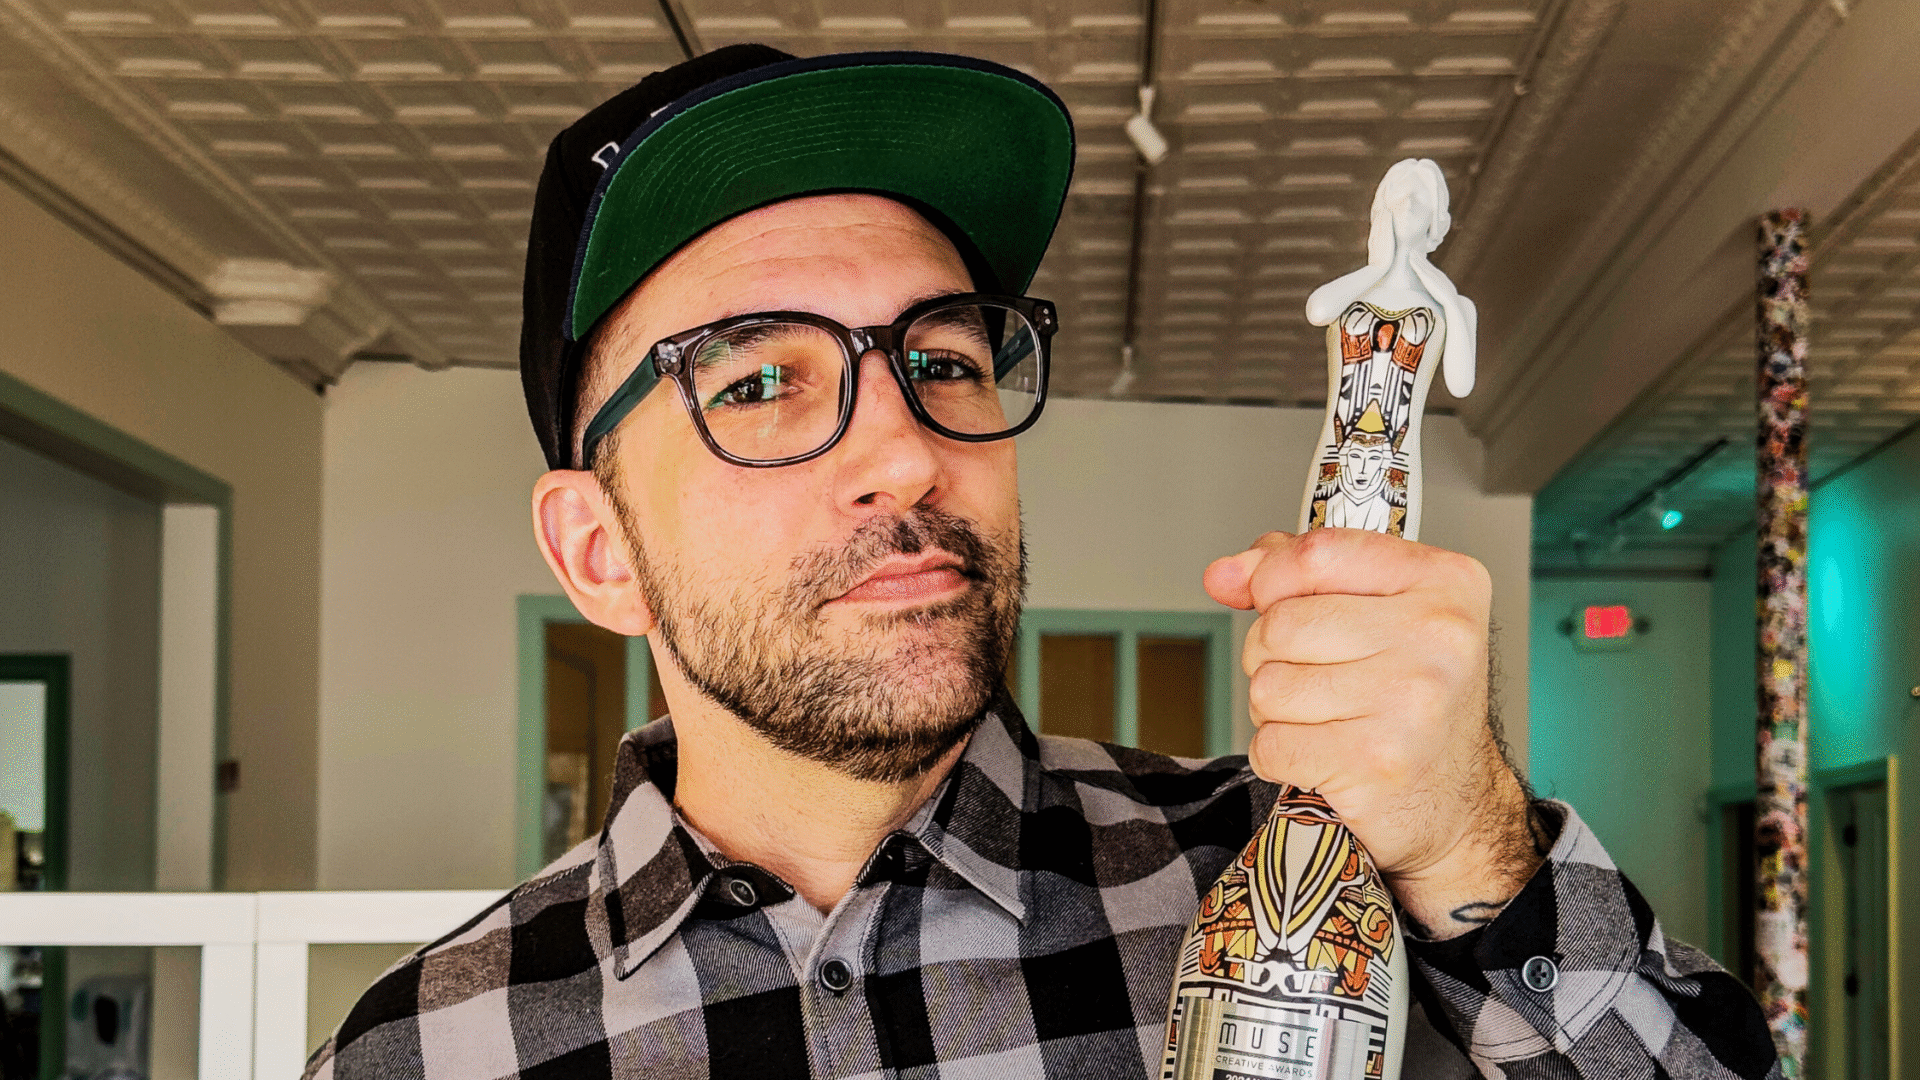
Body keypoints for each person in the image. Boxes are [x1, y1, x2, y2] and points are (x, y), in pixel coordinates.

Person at [305, 45, 1781, 1080]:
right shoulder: (426, 1051)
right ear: (598, 550)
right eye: (758, 384)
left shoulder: (1312, 891)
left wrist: (1474, 852)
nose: (906, 453)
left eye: (943, 358)